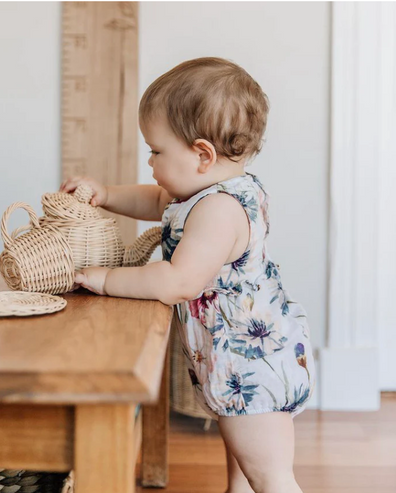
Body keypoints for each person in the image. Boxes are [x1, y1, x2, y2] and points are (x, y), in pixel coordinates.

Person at [60, 57, 316, 493]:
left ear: (202, 154)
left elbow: (179, 281)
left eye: (156, 151)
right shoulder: (206, 192)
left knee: (270, 478)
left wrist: (106, 278)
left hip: (254, 370)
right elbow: (155, 199)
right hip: (241, 364)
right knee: (243, 475)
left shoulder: (218, 210)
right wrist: (106, 196)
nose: (150, 161)